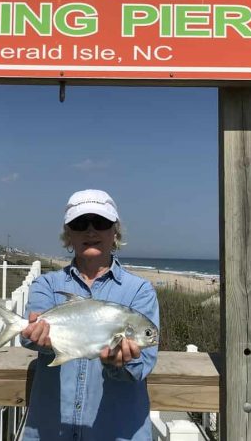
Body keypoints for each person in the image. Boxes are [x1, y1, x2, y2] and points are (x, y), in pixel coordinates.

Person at [20, 189, 159, 440]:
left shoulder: (140, 290)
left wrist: (121, 362)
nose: (91, 231)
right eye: (80, 223)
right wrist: (34, 334)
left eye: (102, 223)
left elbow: (143, 365)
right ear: (68, 234)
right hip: (51, 431)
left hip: (118, 432)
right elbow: (30, 337)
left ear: (114, 231)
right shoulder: (46, 285)